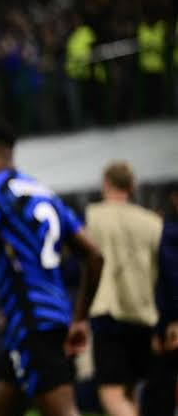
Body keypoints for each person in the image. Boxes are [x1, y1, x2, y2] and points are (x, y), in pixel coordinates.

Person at [0, 120, 103, 416]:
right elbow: (95, 255)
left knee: (63, 409)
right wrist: (80, 317)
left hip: (32, 322)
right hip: (49, 317)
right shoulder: (43, 193)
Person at [85, 161, 163, 416]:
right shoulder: (152, 222)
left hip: (108, 311)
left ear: (105, 184)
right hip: (144, 313)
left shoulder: (92, 217)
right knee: (130, 389)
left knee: (111, 393)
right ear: (132, 186)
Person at [143, 184, 178, 415]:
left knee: (160, 388)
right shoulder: (167, 232)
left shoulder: (168, 233)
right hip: (166, 321)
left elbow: (171, 277)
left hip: (169, 323)